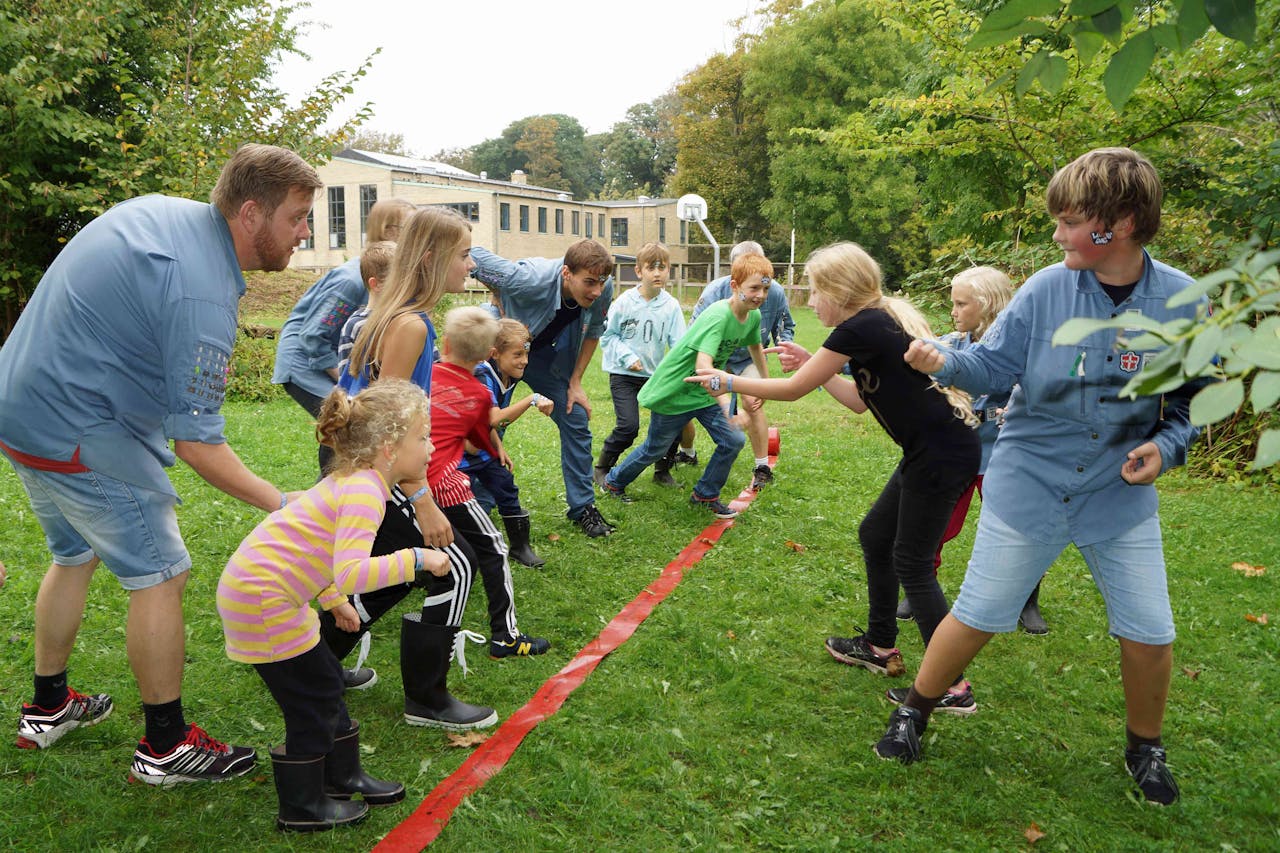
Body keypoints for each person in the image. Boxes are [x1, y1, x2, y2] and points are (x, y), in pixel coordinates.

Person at [878, 148, 1205, 807]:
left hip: (1118, 491)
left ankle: (1145, 747)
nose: (1057, 235)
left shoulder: (1180, 301)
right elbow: (993, 368)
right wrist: (941, 360)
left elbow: (1194, 402)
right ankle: (914, 709)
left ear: (1121, 221)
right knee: (978, 613)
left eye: (1071, 220)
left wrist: (1166, 450)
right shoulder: (1047, 289)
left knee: (1150, 629)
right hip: (1029, 478)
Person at [0, 144, 320, 784]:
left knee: (74, 554)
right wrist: (285, 502)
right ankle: (166, 747)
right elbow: (197, 444)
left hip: (19, 407)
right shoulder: (201, 295)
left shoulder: (169, 215)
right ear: (251, 213)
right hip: (77, 426)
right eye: (298, 217)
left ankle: (48, 704)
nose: (306, 233)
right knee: (161, 574)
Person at [686, 242, 981, 711]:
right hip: (932, 452)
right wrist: (815, 366)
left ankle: (953, 685)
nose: (809, 299)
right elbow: (860, 400)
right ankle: (880, 646)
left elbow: (792, 390)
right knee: (876, 535)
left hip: (940, 456)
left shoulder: (861, 325)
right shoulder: (871, 325)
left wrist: (728, 382)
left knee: (913, 563)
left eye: (815, 291)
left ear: (839, 292)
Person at [218, 380, 446, 832]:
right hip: (263, 601)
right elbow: (352, 570)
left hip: (270, 595)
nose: (430, 445)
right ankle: (302, 805)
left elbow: (316, 551)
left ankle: (342, 775)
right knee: (314, 698)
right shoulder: (365, 492)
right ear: (388, 449)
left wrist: (334, 601)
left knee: (324, 682)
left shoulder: (356, 482)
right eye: (422, 437)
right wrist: (418, 558)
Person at [319, 205, 497, 730]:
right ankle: (427, 698)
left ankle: (318, 661)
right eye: (464, 255)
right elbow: (385, 421)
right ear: (431, 257)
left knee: (390, 573)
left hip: (367, 465)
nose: (471, 265)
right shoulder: (411, 325)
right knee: (453, 564)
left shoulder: (404, 317)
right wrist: (421, 501)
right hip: (372, 467)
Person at [894, 266, 1048, 634]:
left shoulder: (1021, 351)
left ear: (990, 305)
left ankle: (1027, 598)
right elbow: (908, 361)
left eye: (962, 304)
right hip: (959, 456)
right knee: (936, 523)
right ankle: (919, 588)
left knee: (1019, 527)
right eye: (953, 303)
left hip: (1006, 456)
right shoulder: (953, 345)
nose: (954, 311)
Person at [601, 253, 772, 519]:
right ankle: (613, 481)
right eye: (754, 288)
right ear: (735, 286)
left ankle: (705, 494)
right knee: (655, 448)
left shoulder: (753, 316)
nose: (760, 294)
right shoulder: (719, 316)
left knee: (733, 440)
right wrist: (727, 404)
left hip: (704, 395)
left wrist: (764, 383)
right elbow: (704, 366)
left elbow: (755, 347)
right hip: (678, 392)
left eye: (765, 288)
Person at [469, 239, 617, 537]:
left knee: (575, 417)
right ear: (566, 273)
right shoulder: (527, 280)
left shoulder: (604, 286)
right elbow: (472, 255)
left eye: (601, 282)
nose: (597, 291)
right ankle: (479, 507)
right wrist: (499, 298)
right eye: (589, 282)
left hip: (544, 355)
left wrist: (575, 382)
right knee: (489, 427)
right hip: (506, 350)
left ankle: (582, 507)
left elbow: (594, 335)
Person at [429, 306, 550, 659]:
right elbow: (479, 432)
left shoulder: (429, 374)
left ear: (446, 344)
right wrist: (529, 402)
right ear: (488, 355)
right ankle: (506, 637)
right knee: (491, 548)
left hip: (408, 478)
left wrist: (494, 448)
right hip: (445, 477)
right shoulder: (481, 392)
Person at [272, 199, 415, 478]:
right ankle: (327, 503)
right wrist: (345, 378)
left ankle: (337, 499)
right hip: (304, 364)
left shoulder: (389, 274)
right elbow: (313, 335)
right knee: (349, 425)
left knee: (351, 426)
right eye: (410, 228)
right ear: (388, 230)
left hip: (332, 359)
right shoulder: (352, 278)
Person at [690, 240, 796, 490]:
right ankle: (684, 451)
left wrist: (783, 345)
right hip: (718, 357)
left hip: (750, 356)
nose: (760, 289)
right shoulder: (714, 292)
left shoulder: (775, 292)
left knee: (753, 401)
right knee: (692, 402)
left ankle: (762, 467)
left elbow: (785, 325)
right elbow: (694, 331)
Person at [461, 318, 555, 567]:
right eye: (517, 354)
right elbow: (493, 417)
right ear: (495, 353)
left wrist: (498, 448)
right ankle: (460, 548)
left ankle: (519, 547)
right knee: (459, 499)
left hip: (482, 446)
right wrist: (532, 399)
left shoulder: (509, 375)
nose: (524, 360)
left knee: (505, 487)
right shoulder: (482, 375)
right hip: (458, 453)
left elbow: (488, 420)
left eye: (526, 353)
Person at [594, 242, 688, 490]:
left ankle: (662, 470)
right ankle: (602, 468)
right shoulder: (625, 302)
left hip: (654, 376)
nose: (657, 273)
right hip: (623, 374)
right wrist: (627, 357)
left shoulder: (671, 306)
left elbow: (679, 344)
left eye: (663, 267)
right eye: (651, 268)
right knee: (628, 427)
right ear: (639, 271)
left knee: (673, 423)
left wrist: (677, 371)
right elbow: (608, 336)